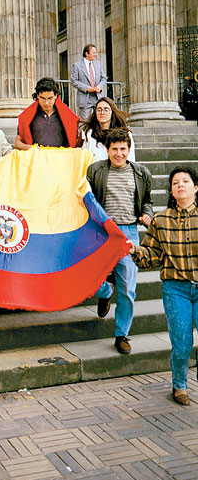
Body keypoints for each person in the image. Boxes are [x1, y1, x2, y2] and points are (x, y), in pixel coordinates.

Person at [130, 167, 198, 406]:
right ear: (171, 189)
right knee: (181, 344)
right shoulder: (160, 220)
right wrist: (134, 250)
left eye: (186, 181)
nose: (180, 185)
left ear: (195, 187)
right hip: (175, 289)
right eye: (176, 182)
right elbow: (153, 255)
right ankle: (179, 385)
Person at [87, 129, 153, 354]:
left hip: (129, 235)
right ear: (107, 150)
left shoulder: (141, 173)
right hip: (102, 233)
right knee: (89, 281)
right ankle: (106, 291)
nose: (118, 153)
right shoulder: (95, 171)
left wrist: (147, 214)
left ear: (129, 149)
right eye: (114, 149)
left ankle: (122, 334)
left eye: (123, 149)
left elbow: (147, 202)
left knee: (128, 289)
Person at [14, 77, 79, 150]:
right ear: (37, 96)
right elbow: (17, 143)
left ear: (56, 96)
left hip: (60, 158)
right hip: (37, 158)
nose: (46, 103)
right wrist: (30, 148)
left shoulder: (67, 115)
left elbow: (75, 142)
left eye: (50, 98)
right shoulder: (27, 116)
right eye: (42, 98)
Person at [80, 96, 136, 162]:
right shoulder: (89, 133)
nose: (102, 113)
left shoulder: (125, 134)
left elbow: (130, 160)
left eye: (106, 110)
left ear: (112, 112)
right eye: (99, 110)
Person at [70, 44, 107, 120]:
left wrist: (99, 87)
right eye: (93, 52)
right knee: (85, 122)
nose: (95, 54)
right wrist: (86, 88)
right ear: (87, 53)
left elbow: (104, 78)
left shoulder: (98, 64)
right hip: (85, 97)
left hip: (98, 96)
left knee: (100, 119)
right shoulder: (77, 65)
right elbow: (73, 81)